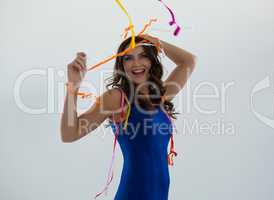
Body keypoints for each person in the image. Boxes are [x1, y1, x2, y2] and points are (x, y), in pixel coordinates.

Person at [60, 34, 197, 200]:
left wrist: (157, 42)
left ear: (152, 60)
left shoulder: (160, 95)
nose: (136, 63)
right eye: (128, 58)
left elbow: (189, 61)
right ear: (121, 64)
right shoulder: (117, 97)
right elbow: (70, 134)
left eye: (143, 56)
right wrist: (73, 87)